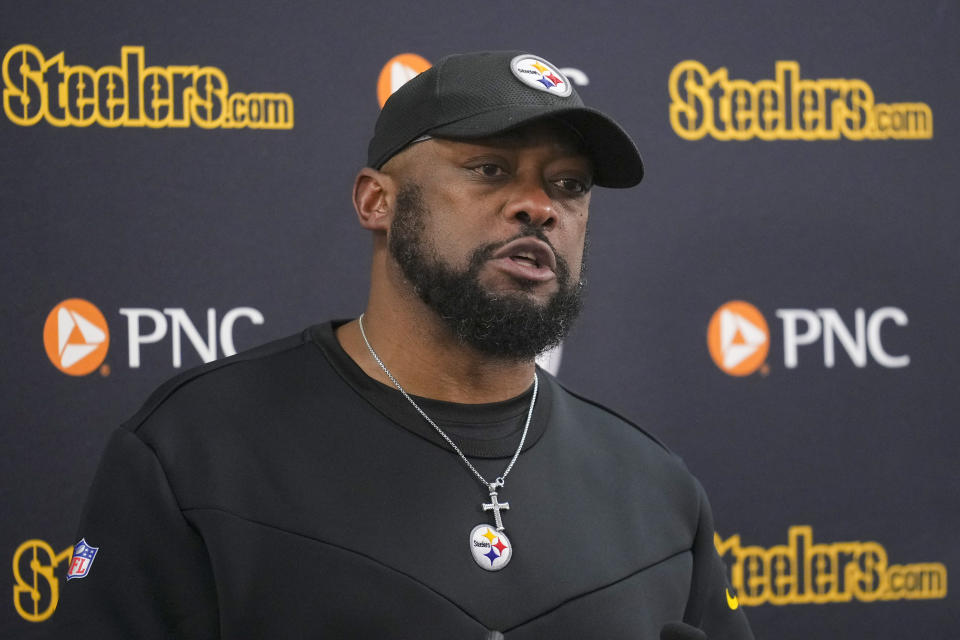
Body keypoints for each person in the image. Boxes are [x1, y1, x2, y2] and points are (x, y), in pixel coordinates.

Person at [56, 51, 754, 639]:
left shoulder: (653, 488)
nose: (539, 206)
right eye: (490, 169)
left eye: (568, 186)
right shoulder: (195, 450)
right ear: (375, 202)